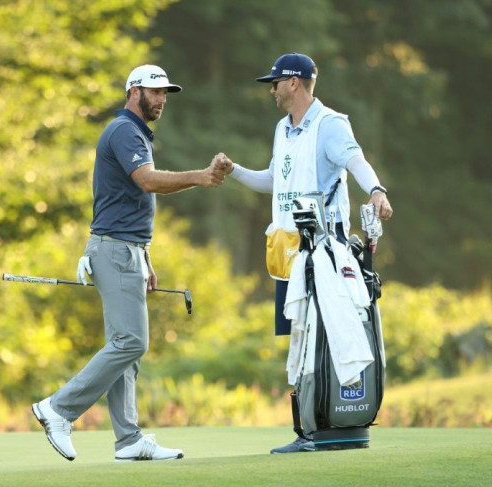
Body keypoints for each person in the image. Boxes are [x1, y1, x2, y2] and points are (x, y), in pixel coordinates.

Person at [32, 64, 230, 462]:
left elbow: (132, 202)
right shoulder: (124, 131)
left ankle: (128, 439)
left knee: (125, 347)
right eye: (155, 92)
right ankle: (59, 409)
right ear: (133, 91)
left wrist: (146, 257)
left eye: (165, 94)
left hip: (128, 251)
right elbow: (147, 181)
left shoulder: (135, 133)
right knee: (131, 341)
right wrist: (202, 177)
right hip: (115, 251)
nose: (161, 100)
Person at [222, 53, 393, 453]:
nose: (272, 89)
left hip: (324, 252)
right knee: (300, 337)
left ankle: (323, 427)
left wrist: (377, 190)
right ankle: (311, 427)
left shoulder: (330, 124)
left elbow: (355, 161)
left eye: (276, 83)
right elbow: (273, 182)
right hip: (289, 254)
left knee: (320, 335)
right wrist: (234, 171)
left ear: (294, 83)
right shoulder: (283, 129)